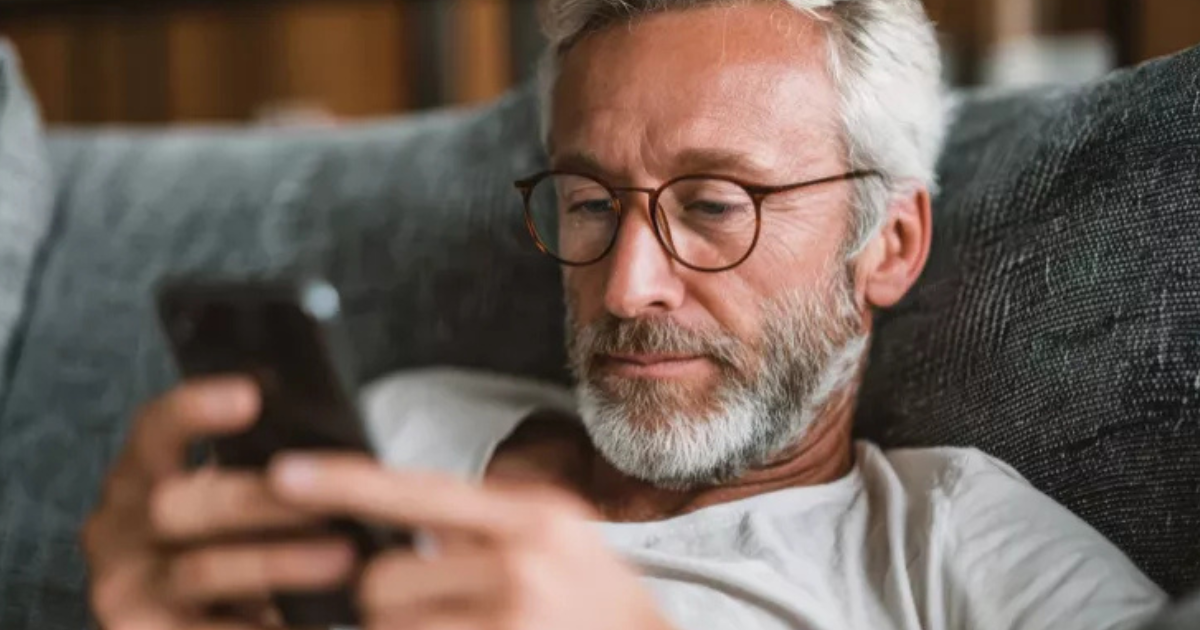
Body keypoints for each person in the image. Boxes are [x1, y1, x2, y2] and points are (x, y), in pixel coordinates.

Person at [81, 1, 1169, 629]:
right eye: (591, 203)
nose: (624, 286)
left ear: (887, 243)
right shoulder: (404, 426)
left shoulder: (956, 545)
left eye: (714, 205)